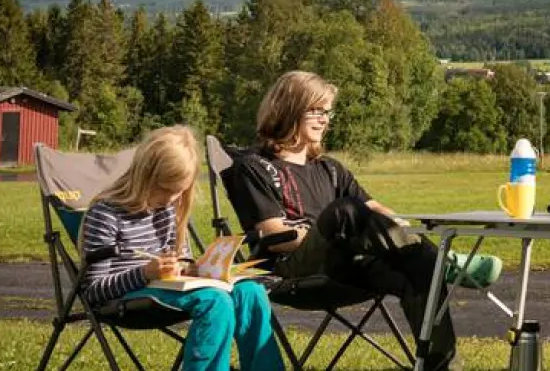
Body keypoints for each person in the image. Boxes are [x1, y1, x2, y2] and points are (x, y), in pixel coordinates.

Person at [226, 70, 490, 371]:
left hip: (346, 264)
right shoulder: (254, 166)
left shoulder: (330, 168)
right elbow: (275, 235)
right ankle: (446, 261)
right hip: (290, 269)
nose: (324, 120)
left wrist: (398, 230)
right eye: (316, 110)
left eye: (327, 112)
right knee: (344, 211)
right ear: (289, 109)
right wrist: (328, 230)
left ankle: (440, 364)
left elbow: (377, 209)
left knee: (420, 269)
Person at [80, 125, 285, 371]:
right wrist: (144, 273)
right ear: (144, 176)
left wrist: (192, 268)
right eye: (165, 190)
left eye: (179, 192)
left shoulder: (168, 208)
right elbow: (93, 292)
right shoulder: (105, 213)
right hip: (127, 297)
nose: (171, 199)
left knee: (250, 291)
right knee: (215, 301)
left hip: (168, 288)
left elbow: (183, 259)